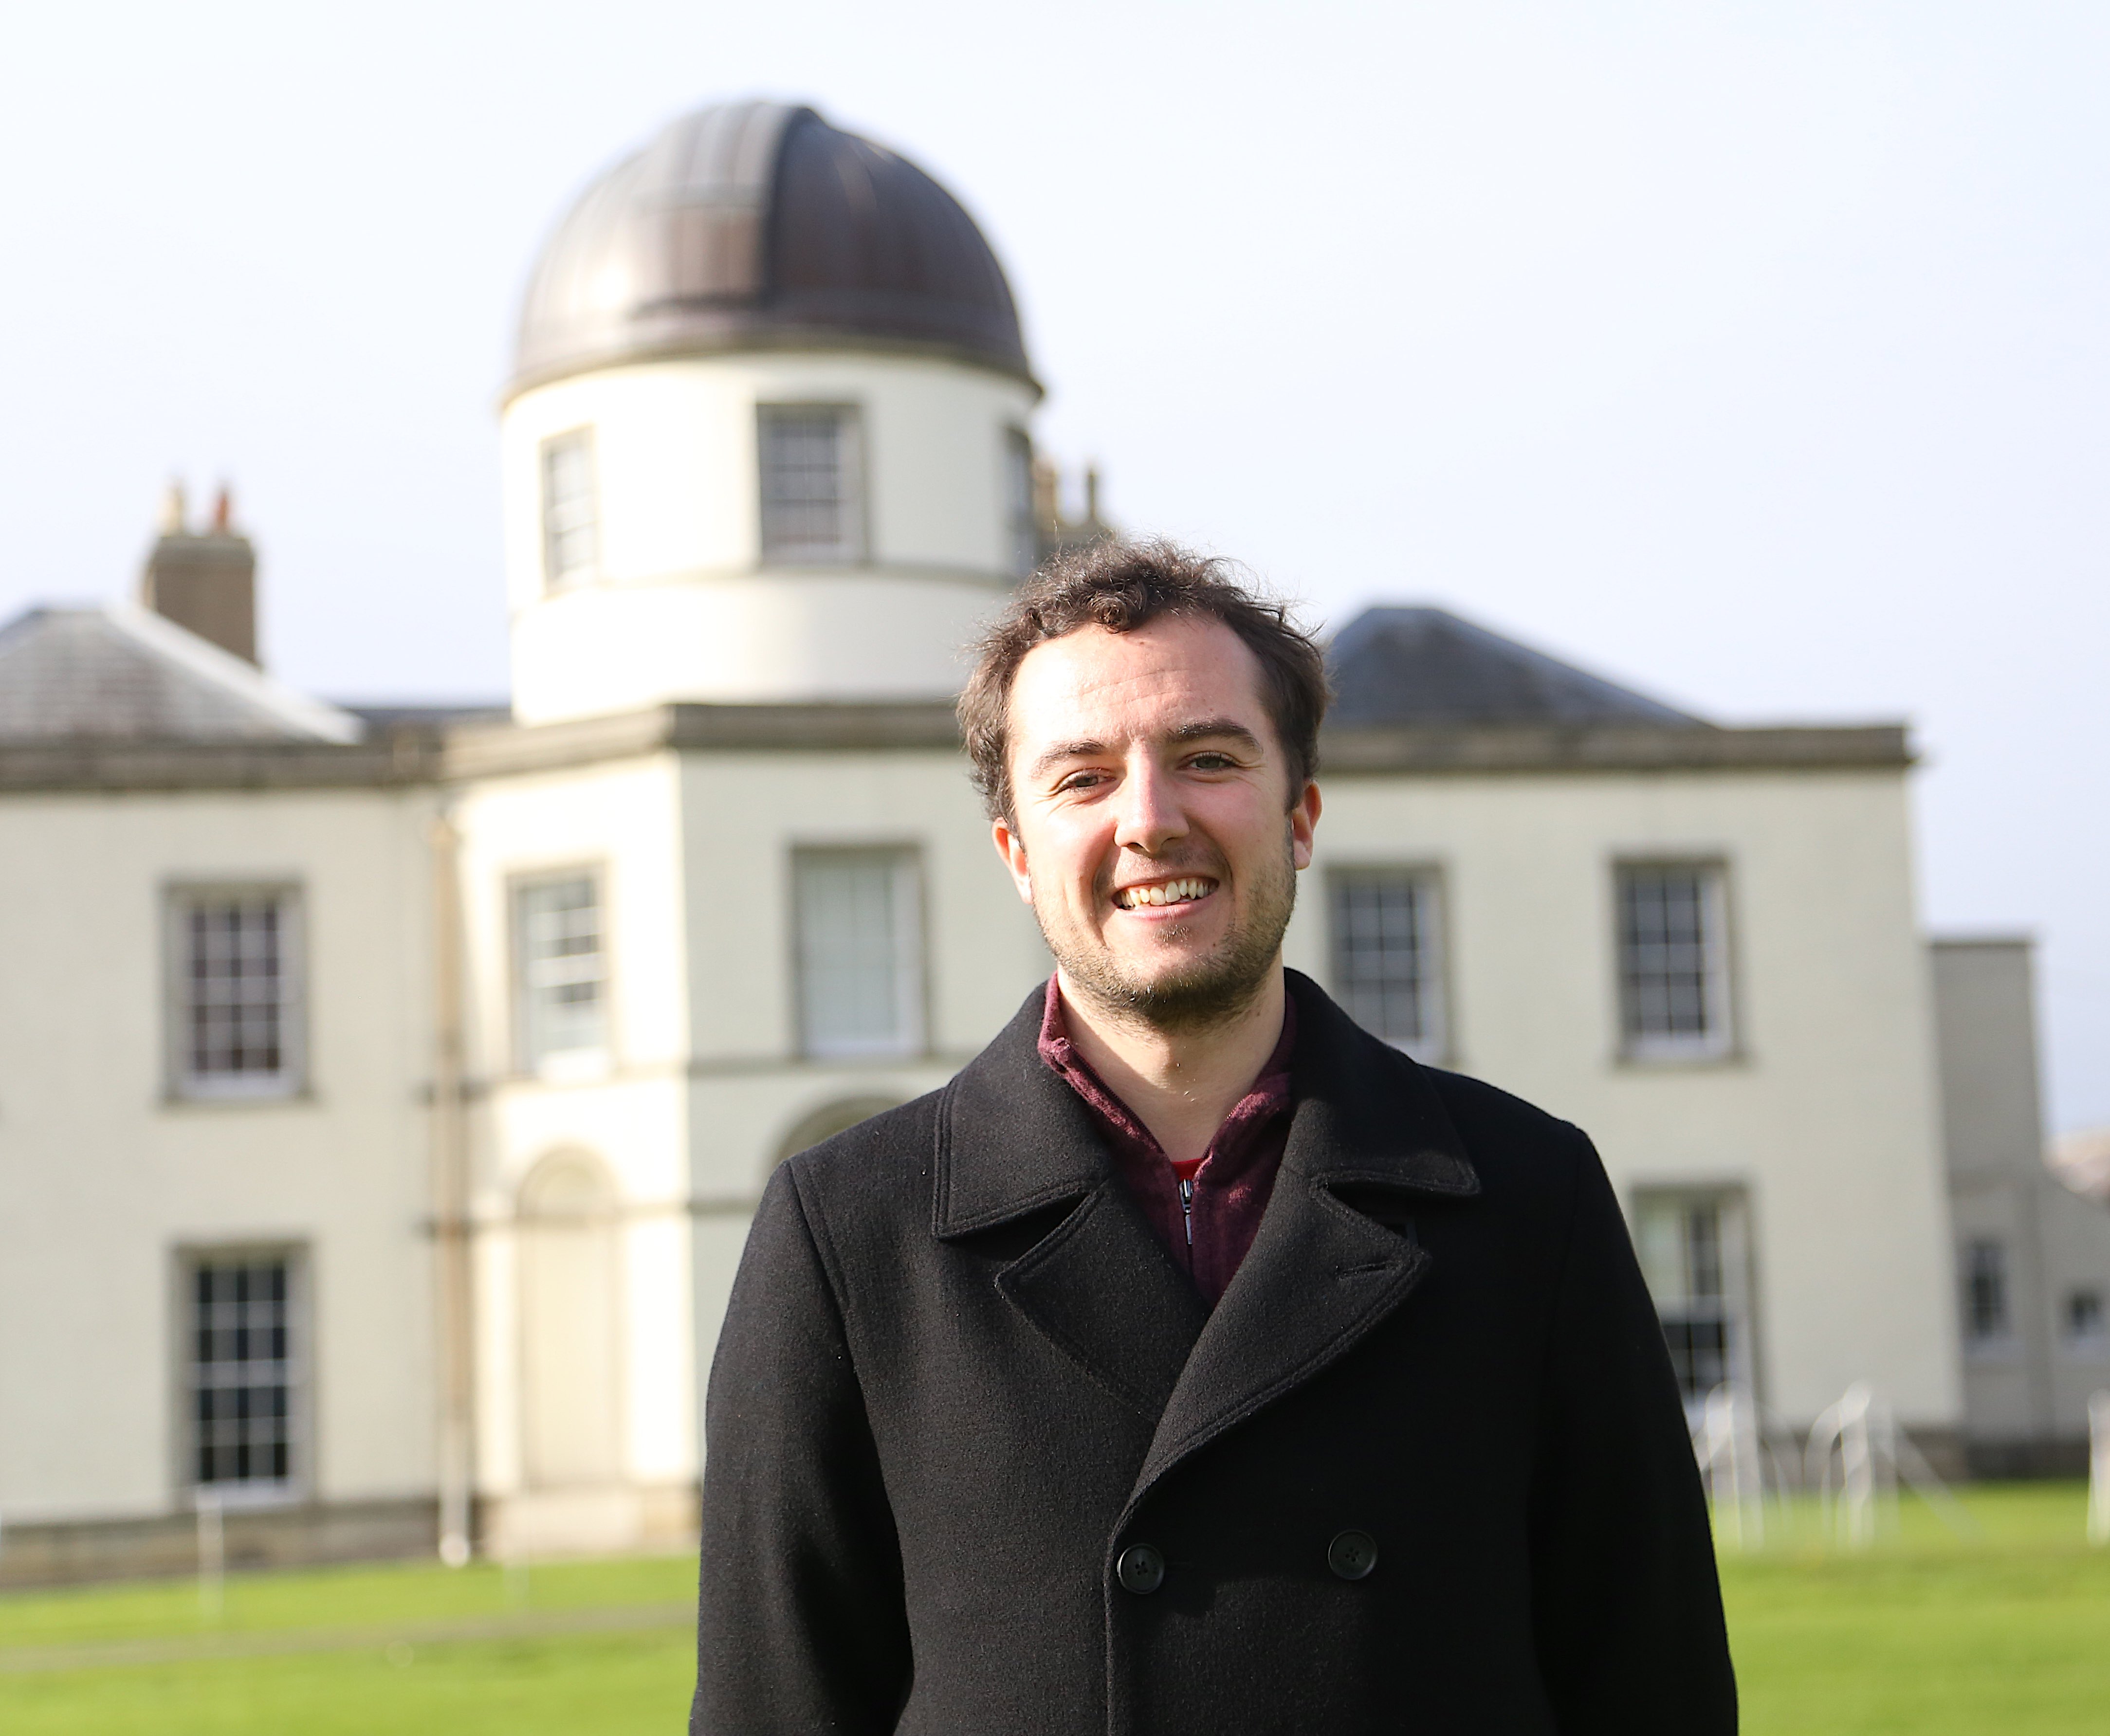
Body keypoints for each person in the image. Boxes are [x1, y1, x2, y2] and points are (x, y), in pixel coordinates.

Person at [692, 541, 1736, 1735]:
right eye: (1081, 777)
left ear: (1299, 815)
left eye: (1207, 758)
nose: (1150, 819)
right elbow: (773, 1709)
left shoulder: (1525, 1192)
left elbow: (1653, 1688)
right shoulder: (847, 1232)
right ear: (1016, 854)